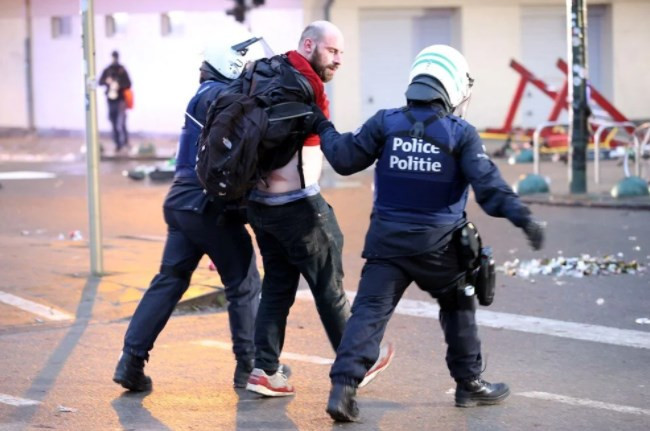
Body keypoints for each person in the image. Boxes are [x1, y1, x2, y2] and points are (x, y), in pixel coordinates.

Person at [306, 44, 546, 422]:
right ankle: (469, 384)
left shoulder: (385, 122)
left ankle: (343, 390)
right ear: (452, 86)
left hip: (387, 245)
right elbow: (488, 188)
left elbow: (344, 158)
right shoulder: (460, 133)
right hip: (440, 248)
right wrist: (524, 219)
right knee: (458, 303)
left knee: (368, 314)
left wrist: (322, 124)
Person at [244, 21, 394, 397]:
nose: (338, 59)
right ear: (308, 44)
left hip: (260, 207)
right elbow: (326, 149)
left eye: (341, 52)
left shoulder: (265, 74)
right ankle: (361, 361)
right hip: (298, 206)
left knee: (278, 285)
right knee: (329, 285)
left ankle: (264, 370)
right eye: (332, 50)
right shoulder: (307, 85)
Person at [112, 33, 266, 392]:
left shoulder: (202, 94)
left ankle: (130, 361)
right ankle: (250, 366)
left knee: (170, 280)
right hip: (205, 203)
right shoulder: (219, 95)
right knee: (244, 281)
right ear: (230, 66)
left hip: (181, 202)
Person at [99, 51, 132, 154]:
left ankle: (125, 142)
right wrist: (107, 81)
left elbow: (128, 83)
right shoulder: (107, 70)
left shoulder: (122, 70)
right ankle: (117, 144)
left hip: (121, 100)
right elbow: (100, 82)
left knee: (121, 122)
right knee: (113, 122)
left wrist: (119, 85)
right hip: (110, 100)